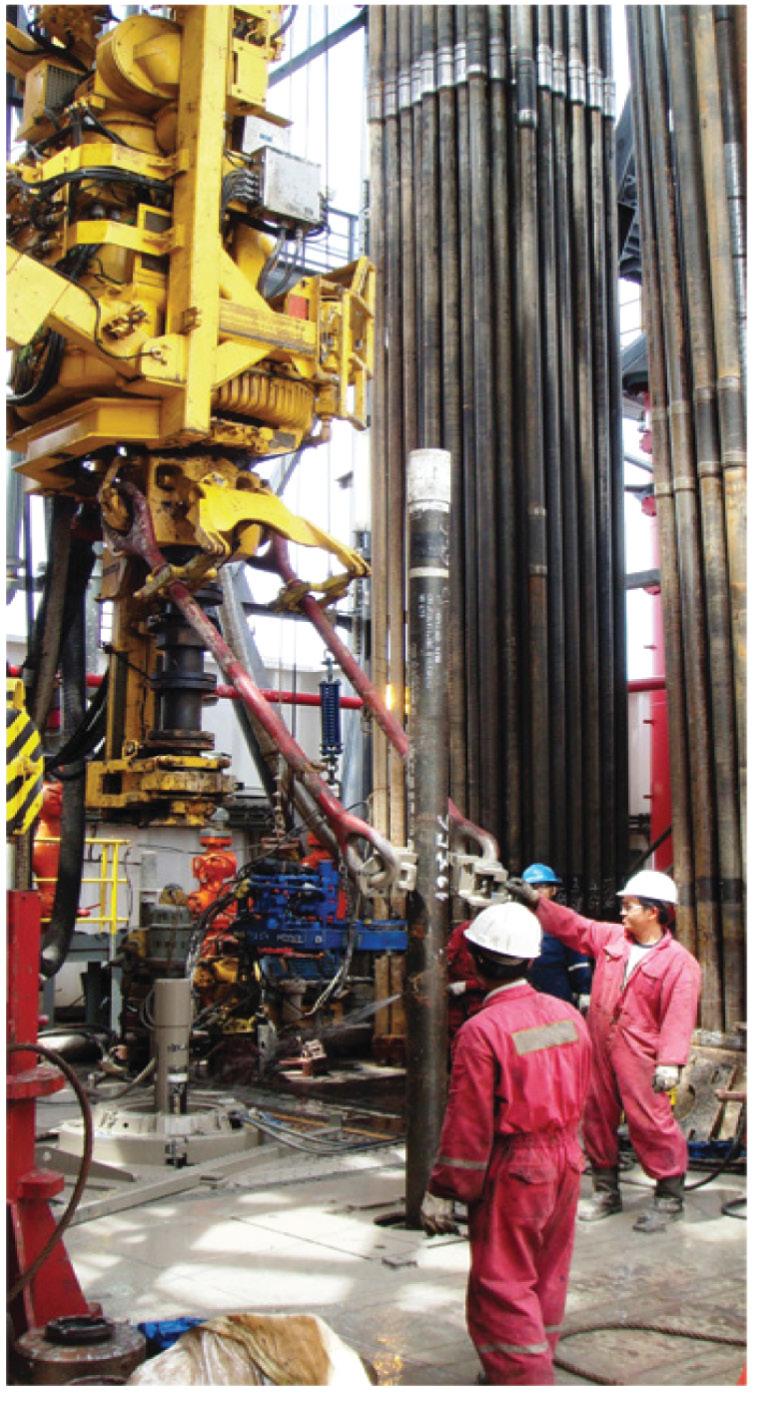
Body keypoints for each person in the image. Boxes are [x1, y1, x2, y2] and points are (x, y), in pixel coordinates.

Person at [420, 902, 591, 1386]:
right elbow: (584, 1088)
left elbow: (469, 1125)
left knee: (502, 1283)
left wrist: (445, 1189)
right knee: (548, 1272)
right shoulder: (566, 1015)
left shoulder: (481, 1031)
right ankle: (536, 1360)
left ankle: (523, 1382)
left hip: (518, 1169)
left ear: (474, 961)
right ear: (532, 960)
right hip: (566, 1158)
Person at [505, 868, 701, 1233]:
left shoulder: (679, 963)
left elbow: (679, 1016)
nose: (622, 912)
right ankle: (606, 1192)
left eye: (630, 906)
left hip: (641, 1052)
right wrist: (536, 902)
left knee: (651, 1121)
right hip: (599, 1044)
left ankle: (668, 1197)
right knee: (595, 1116)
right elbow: (574, 926)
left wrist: (670, 1062)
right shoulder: (612, 939)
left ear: (654, 911)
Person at [520, 863, 593, 1011]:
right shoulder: (514, 918)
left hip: (556, 987)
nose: (537, 891)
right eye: (532, 887)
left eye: (542, 886)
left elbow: (578, 960)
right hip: (523, 987)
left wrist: (584, 991)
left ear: (553, 890)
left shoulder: (563, 919)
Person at [445, 918, 487, 1041]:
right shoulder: (465, 930)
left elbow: (499, 976)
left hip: (481, 998)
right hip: (457, 998)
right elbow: (449, 954)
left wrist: (467, 985)